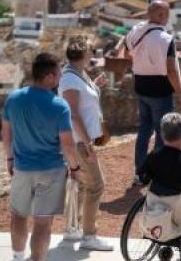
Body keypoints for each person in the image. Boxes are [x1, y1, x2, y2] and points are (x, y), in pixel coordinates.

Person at [2, 53, 80, 261]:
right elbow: (67, 145)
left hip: (21, 168)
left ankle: (18, 257)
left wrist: (10, 159)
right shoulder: (59, 105)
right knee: (43, 223)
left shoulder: (13, 99)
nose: (61, 76)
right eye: (59, 72)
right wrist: (75, 168)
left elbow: (6, 135)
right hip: (51, 170)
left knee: (18, 216)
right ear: (48, 77)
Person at [58, 37, 112, 251]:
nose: (94, 54)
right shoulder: (70, 78)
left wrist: (96, 87)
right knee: (96, 186)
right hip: (79, 140)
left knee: (80, 184)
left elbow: (84, 102)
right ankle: (89, 235)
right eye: (92, 50)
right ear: (85, 53)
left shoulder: (78, 74)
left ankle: (73, 229)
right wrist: (88, 145)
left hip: (79, 139)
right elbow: (73, 113)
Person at [124, 0, 181, 185]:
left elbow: (127, 54)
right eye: (166, 15)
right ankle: (154, 172)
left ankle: (139, 173)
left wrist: (144, 60)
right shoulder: (166, 39)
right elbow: (171, 69)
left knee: (144, 131)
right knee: (162, 132)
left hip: (141, 86)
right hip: (160, 90)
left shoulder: (135, 32)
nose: (167, 18)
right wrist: (179, 92)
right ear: (160, 15)